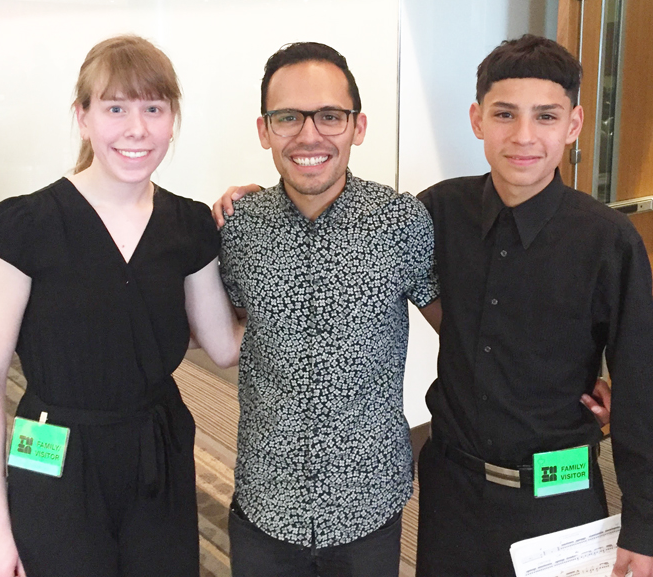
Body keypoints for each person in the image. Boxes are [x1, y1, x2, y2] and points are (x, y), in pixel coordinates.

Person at [211, 42, 611, 577]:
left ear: (359, 126)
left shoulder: (400, 221)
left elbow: (471, 327)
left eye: (330, 116)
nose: (310, 135)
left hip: (370, 501)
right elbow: (225, 328)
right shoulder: (239, 227)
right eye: (288, 117)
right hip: (265, 498)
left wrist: (577, 378)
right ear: (264, 130)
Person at [414, 34, 653, 577]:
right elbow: (351, 233)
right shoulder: (439, 210)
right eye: (504, 114)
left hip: (559, 492)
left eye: (546, 117)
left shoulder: (606, 239)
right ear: (477, 119)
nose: (523, 136)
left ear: (573, 124)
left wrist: (644, 527)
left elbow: (641, 382)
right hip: (452, 486)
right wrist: (265, 200)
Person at [0, 35, 242, 577]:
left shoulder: (187, 226)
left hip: (157, 446)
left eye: (153, 109)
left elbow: (224, 346)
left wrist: (266, 219)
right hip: (51, 443)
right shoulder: (24, 226)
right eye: (115, 108)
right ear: (83, 117)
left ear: (172, 119)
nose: (137, 129)